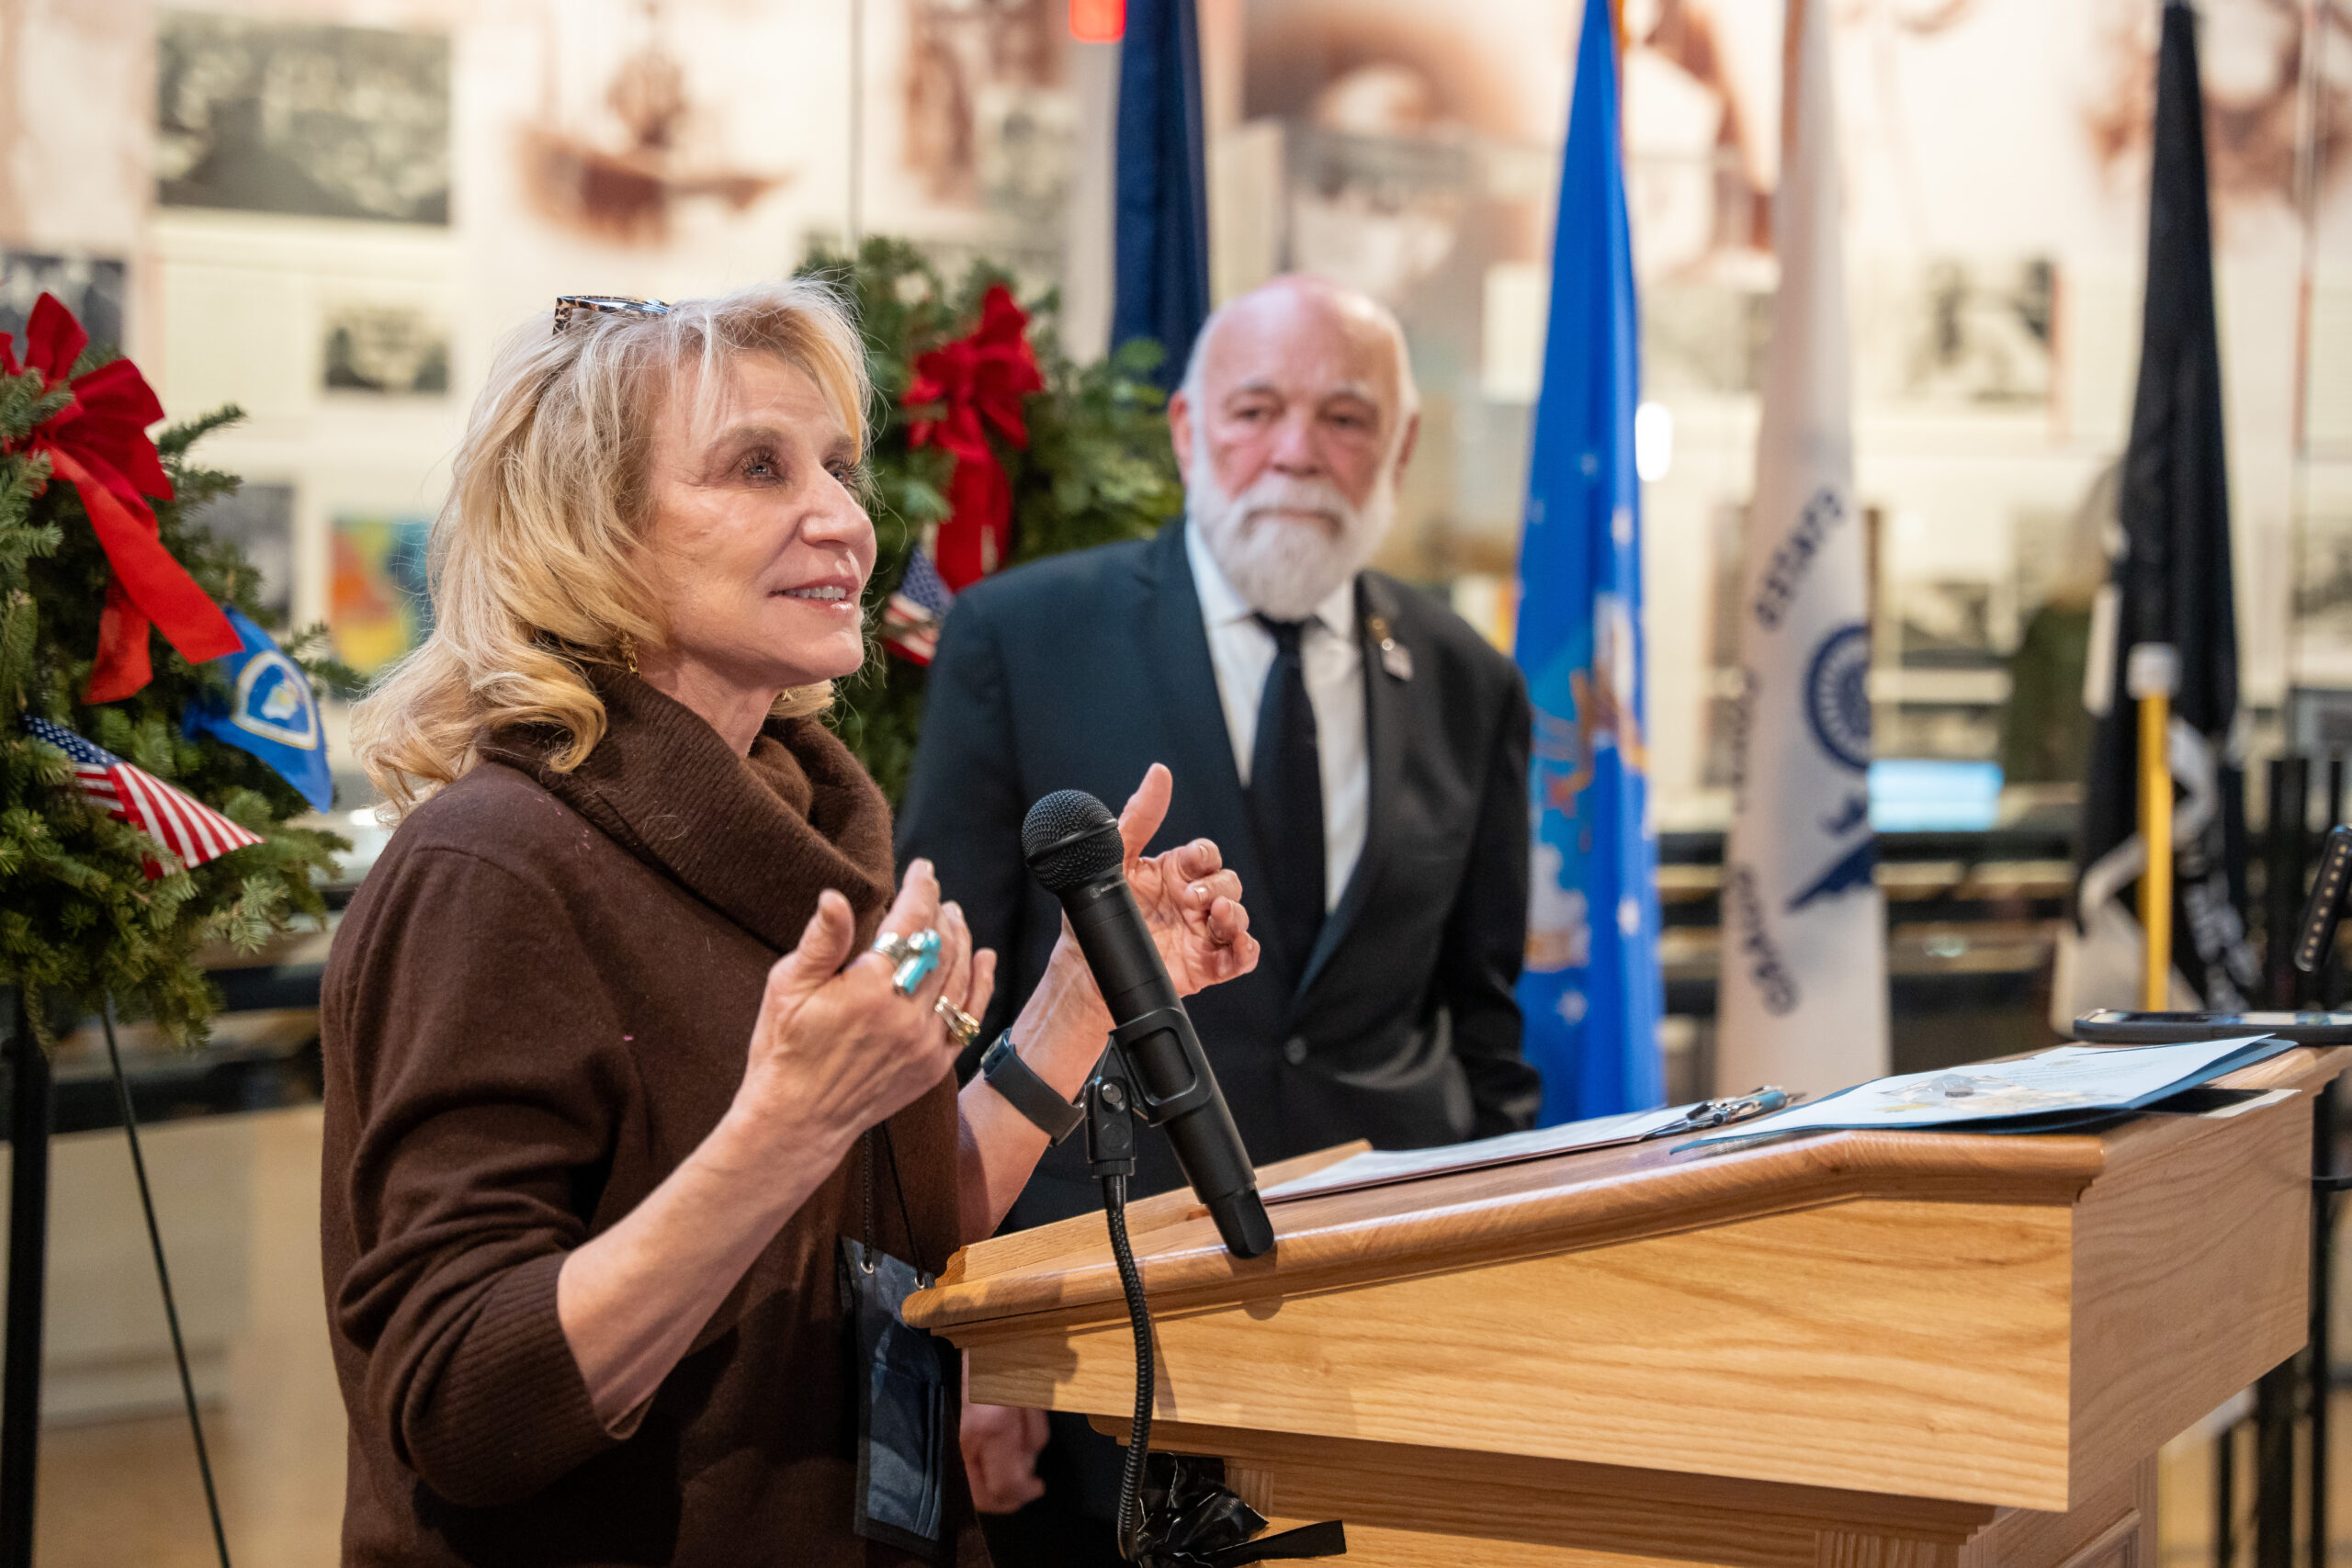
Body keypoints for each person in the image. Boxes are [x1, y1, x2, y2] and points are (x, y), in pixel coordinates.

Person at [321, 283, 1259, 1567]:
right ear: (590, 533)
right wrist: (785, 1129)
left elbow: (889, 1232)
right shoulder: (494, 865)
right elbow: (468, 1403)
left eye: (838, 467)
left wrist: (1079, 1003)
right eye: (757, 469)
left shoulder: (805, 838)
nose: (846, 522)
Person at [899, 273, 1541, 1561]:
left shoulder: (1473, 678)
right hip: (1099, 1326)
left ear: (1401, 448)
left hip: (1380, 1320)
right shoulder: (1025, 638)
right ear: (1188, 431)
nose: (1298, 451)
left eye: (1346, 418)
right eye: (1256, 410)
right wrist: (970, 1324)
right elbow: (945, 1004)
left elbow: (1483, 1024)